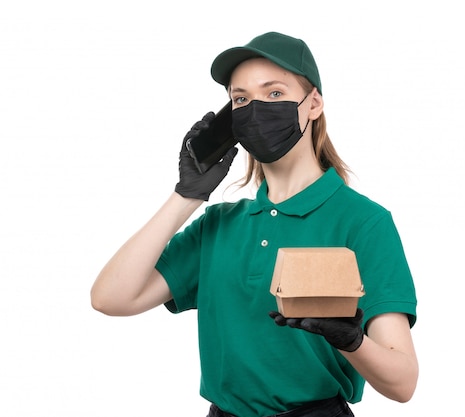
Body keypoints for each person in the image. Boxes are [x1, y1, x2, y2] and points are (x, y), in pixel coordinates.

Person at [91, 31, 418, 417]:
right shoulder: (219, 224)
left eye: (275, 93)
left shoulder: (363, 222)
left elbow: (403, 383)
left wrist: (352, 342)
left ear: (313, 103)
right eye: (241, 98)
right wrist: (187, 196)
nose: (256, 108)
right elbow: (110, 298)